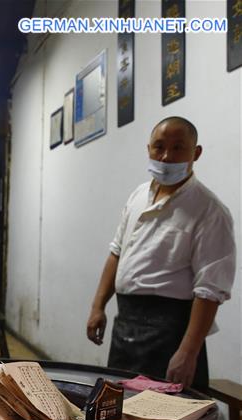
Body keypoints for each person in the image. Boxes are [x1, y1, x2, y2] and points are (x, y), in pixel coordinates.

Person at [86, 116, 235, 390]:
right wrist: (98, 307)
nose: (166, 156)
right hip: (126, 324)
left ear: (196, 152)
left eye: (178, 148)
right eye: (159, 146)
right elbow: (116, 253)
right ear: (149, 149)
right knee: (120, 411)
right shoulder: (138, 196)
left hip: (172, 332)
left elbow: (210, 291)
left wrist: (188, 352)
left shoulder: (209, 210)